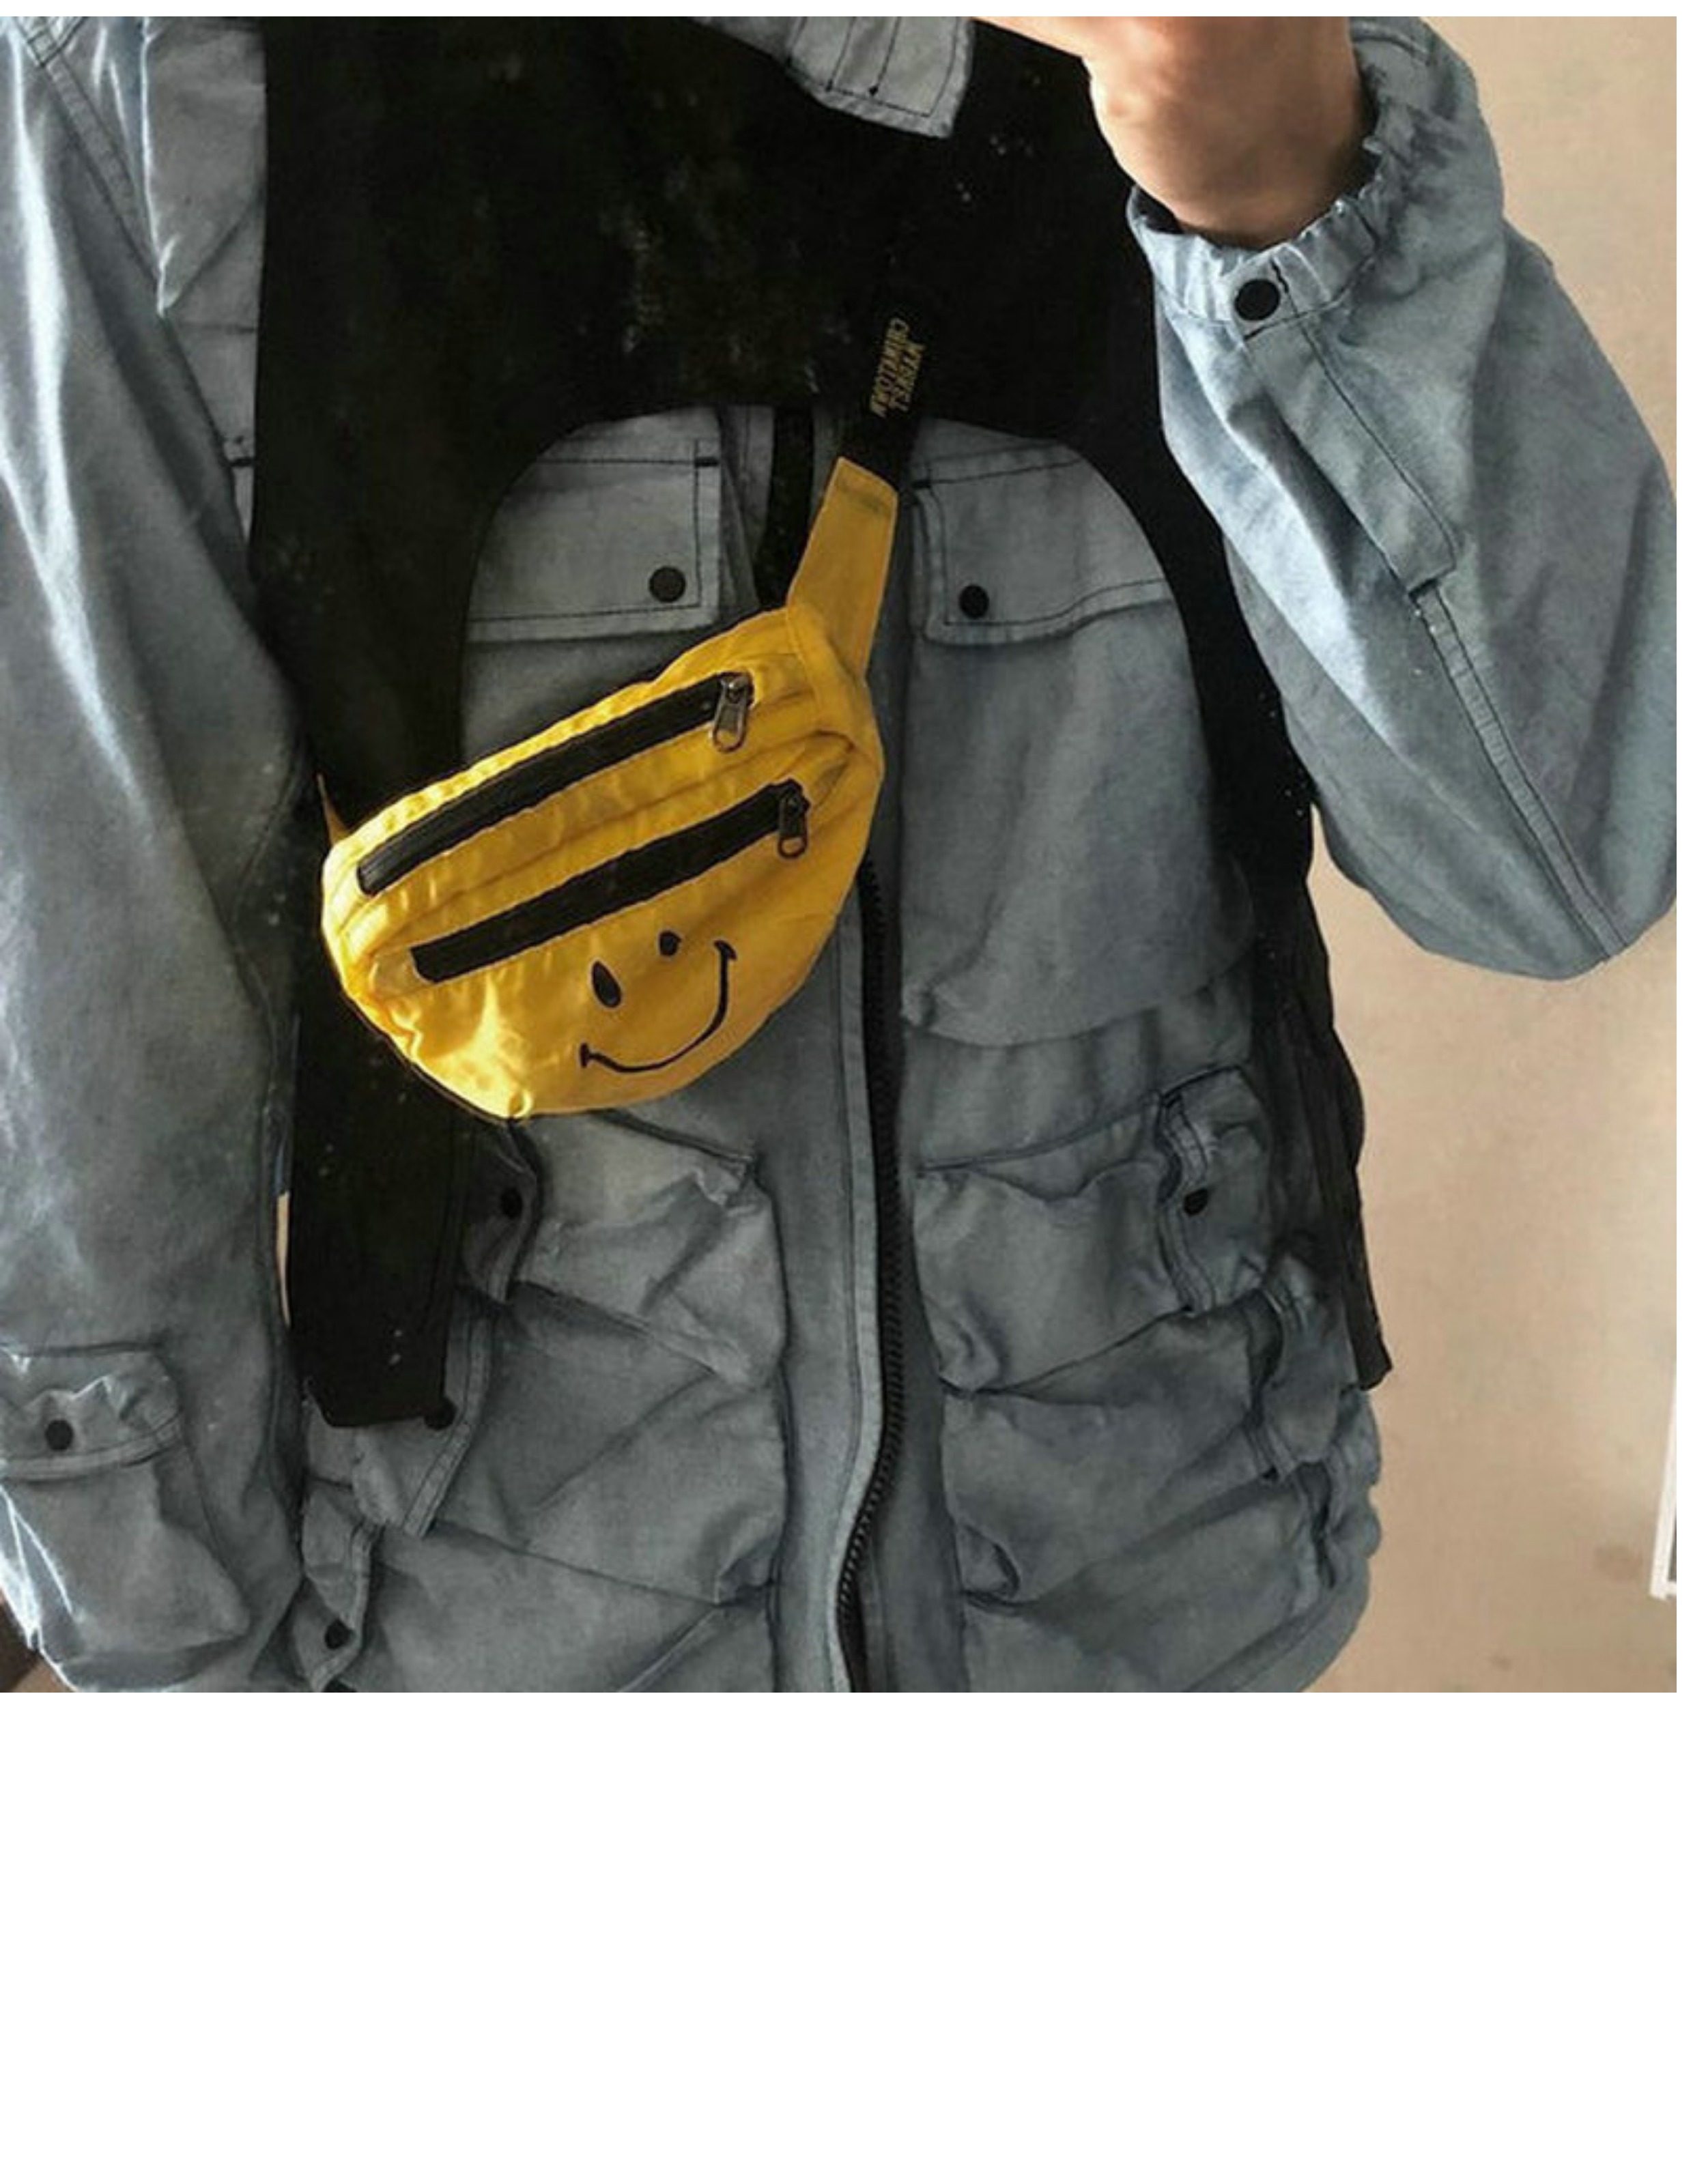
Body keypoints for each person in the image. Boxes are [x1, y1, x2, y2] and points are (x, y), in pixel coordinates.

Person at [0, 17, 1673, 1692]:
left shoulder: (1252, 56)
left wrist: (1290, 202)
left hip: (1164, 1603)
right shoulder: (168, 83)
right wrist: (183, 1668)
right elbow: (90, 1011)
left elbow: (1560, 873)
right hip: (493, 1637)